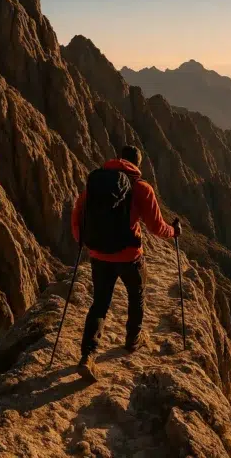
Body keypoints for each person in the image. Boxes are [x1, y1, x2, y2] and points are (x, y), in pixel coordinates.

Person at [71, 145, 182, 382]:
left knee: (99, 304)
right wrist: (175, 232)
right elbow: (156, 227)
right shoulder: (141, 188)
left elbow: (77, 219)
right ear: (137, 164)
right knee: (137, 295)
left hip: (98, 257)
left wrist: (89, 244)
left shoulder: (94, 185)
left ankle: (87, 356)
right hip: (130, 256)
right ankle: (133, 339)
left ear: (118, 159)